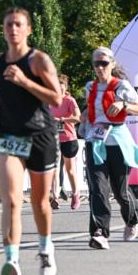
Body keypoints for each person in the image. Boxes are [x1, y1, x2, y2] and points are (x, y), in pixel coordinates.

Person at [0, 7, 61, 275]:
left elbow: (56, 98)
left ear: (28, 30)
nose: (13, 29)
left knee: (40, 203)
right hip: (10, 136)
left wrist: (25, 81)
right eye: (8, 25)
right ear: (3, 30)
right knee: (12, 200)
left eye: (18, 25)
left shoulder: (38, 61)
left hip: (40, 134)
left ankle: (45, 248)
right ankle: (11, 260)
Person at [84, 47, 138, 249]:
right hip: (95, 142)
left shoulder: (121, 86)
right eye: (96, 63)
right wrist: (83, 117)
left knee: (120, 191)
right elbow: (91, 110)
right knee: (98, 189)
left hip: (118, 141)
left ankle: (132, 219)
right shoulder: (90, 87)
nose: (100, 67)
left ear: (112, 64)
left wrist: (123, 105)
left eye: (104, 63)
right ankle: (100, 233)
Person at [49, 74, 82, 210]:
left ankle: (75, 194)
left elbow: (78, 117)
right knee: (54, 169)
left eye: (61, 86)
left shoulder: (70, 101)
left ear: (65, 87)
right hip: (53, 139)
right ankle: (55, 196)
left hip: (69, 139)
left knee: (70, 170)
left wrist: (62, 119)